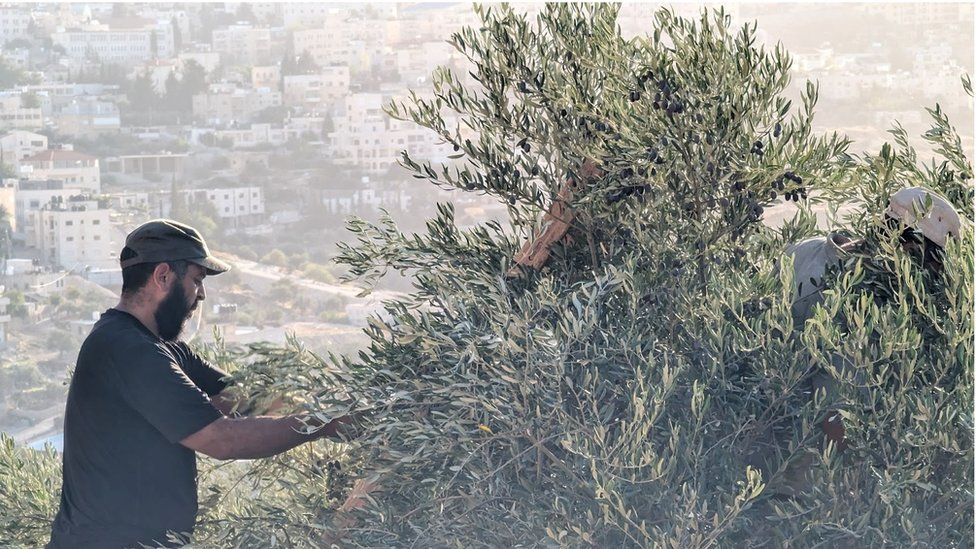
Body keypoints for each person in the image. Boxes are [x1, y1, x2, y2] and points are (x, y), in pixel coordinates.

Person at [47, 219, 358, 549]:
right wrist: (323, 424)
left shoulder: (164, 349)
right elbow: (222, 440)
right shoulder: (128, 350)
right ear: (163, 276)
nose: (202, 295)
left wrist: (336, 406)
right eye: (197, 280)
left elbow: (243, 399)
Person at [767, 186, 961, 495]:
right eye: (931, 262)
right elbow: (835, 410)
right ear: (908, 245)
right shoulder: (868, 304)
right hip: (801, 489)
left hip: (754, 451)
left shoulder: (802, 250)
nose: (929, 273)